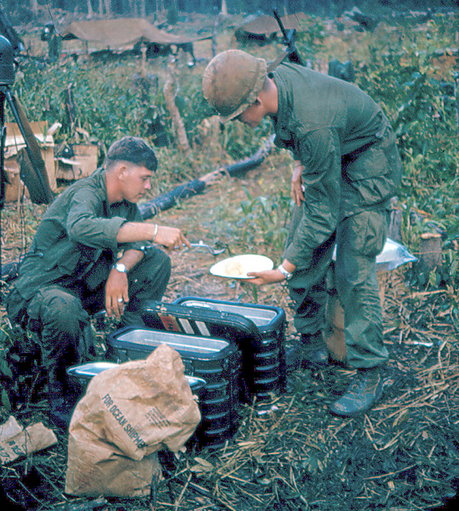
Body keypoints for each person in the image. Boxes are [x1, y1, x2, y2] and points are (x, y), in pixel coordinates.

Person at [202, 50, 402, 417]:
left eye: (238, 115)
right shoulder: (275, 78)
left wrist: (283, 270)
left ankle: (370, 370)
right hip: (331, 150)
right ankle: (313, 343)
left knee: (353, 272)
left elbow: (323, 212)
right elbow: (301, 134)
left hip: (368, 162)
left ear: (256, 100)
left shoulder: (314, 123)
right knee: (302, 242)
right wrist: (300, 163)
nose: (239, 122)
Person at [6, 136, 190, 427]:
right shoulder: (85, 193)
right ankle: (63, 394)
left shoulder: (126, 203)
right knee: (63, 308)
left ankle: (127, 348)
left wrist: (119, 267)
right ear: (121, 173)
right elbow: (81, 227)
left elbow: (138, 243)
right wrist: (154, 229)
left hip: (81, 288)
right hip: (41, 291)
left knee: (157, 262)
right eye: (144, 178)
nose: (148, 187)